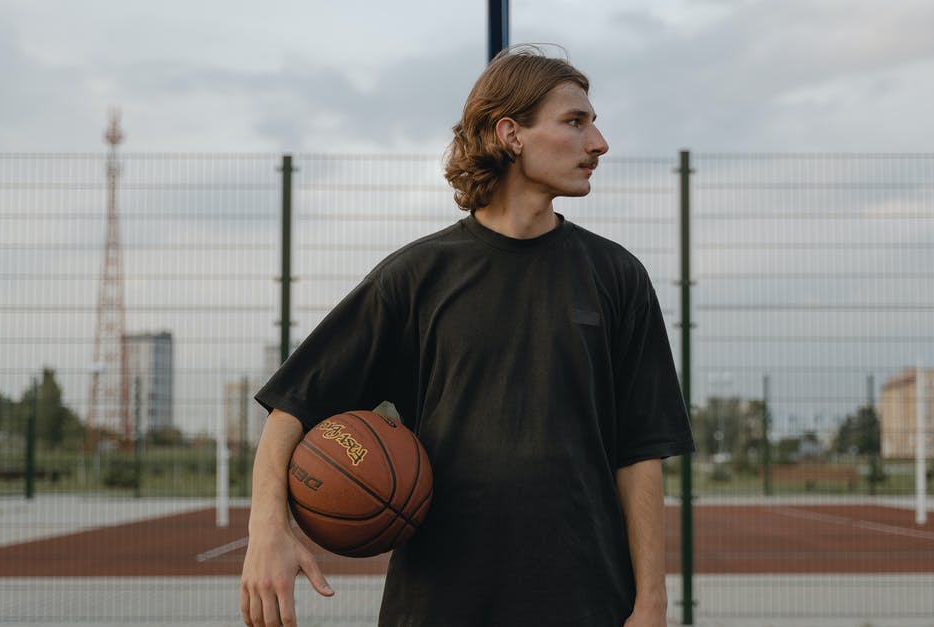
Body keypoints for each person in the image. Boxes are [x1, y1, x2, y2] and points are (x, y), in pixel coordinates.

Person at [240, 45, 694, 627]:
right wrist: (267, 529)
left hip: (587, 601)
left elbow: (640, 455)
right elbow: (292, 406)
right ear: (511, 133)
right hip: (439, 603)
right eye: (576, 122)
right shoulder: (418, 276)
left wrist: (651, 604)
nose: (599, 143)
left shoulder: (617, 276)